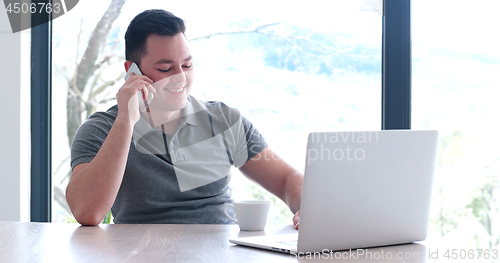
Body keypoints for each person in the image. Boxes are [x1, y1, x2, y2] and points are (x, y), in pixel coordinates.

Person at [66, 9, 303, 228]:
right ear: (132, 70)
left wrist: (307, 208)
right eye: (166, 69)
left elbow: (287, 178)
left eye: (187, 65)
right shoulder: (101, 130)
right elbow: (88, 212)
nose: (180, 78)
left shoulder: (223, 120)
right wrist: (126, 120)